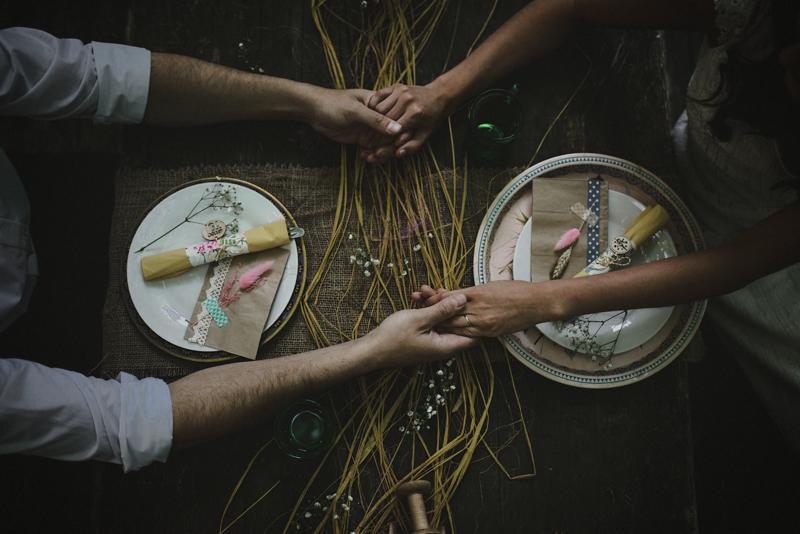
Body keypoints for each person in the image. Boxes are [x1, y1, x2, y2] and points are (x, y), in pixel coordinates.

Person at [0, 27, 473, 472]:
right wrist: (371, 351)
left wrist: (308, 102)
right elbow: (135, 425)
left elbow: (104, 77)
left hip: (50, 190)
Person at [377, 0, 800, 448]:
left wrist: (544, 301)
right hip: (682, 169)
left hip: (764, 269)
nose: (789, 60)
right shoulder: (754, 13)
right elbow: (569, 6)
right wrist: (441, 93)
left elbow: (734, 265)